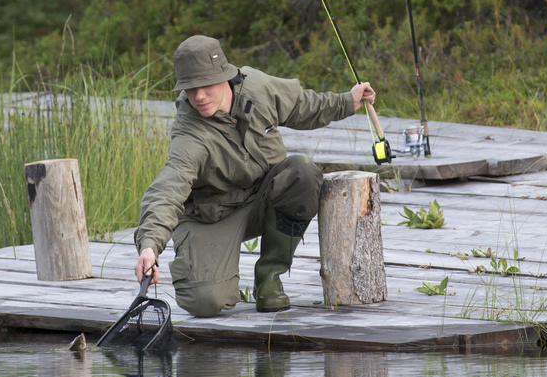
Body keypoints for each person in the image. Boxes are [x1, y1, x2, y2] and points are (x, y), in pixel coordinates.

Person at [134, 35, 375, 316]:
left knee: (303, 172)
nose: (198, 96)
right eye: (190, 88)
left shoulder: (257, 87)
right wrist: (149, 246)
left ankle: (269, 278)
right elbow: (168, 189)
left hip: (263, 200)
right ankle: (213, 273)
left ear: (226, 75)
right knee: (205, 301)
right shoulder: (189, 135)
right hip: (211, 216)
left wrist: (349, 100)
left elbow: (303, 105)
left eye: (206, 85)